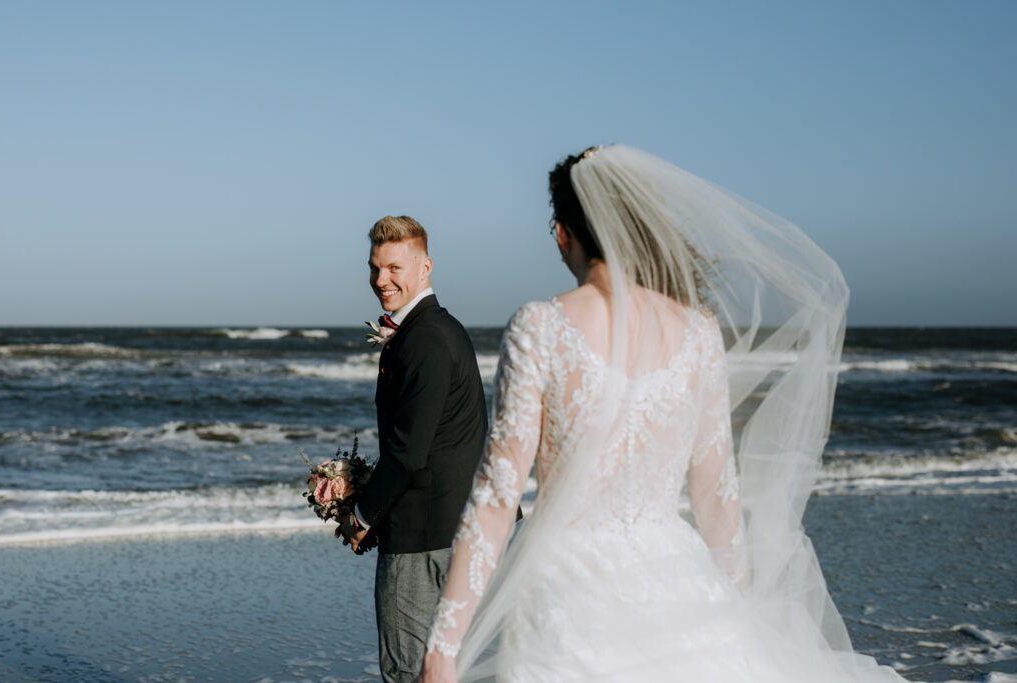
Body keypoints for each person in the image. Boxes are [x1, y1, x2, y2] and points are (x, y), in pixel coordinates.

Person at [418, 145, 906, 681]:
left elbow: (495, 496)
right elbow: (718, 499)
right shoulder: (698, 334)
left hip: (566, 592)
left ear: (562, 234)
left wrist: (444, 645)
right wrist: (742, 615)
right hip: (679, 582)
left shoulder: (541, 327)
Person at [336, 215, 488, 683]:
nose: (381, 280)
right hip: (464, 530)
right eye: (375, 268)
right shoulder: (443, 330)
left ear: (425, 267)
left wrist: (360, 516)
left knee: (408, 671)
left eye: (394, 268)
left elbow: (407, 453)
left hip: (423, 541)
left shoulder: (422, 340)